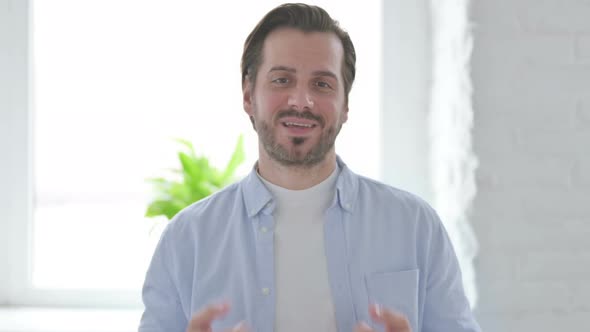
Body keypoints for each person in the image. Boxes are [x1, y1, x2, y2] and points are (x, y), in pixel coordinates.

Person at [138, 3, 481, 332]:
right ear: (248, 96)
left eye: (322, 84)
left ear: (345, 104)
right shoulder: (186, 241)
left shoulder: (416, 227)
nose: (301, 101)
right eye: (282, 80)